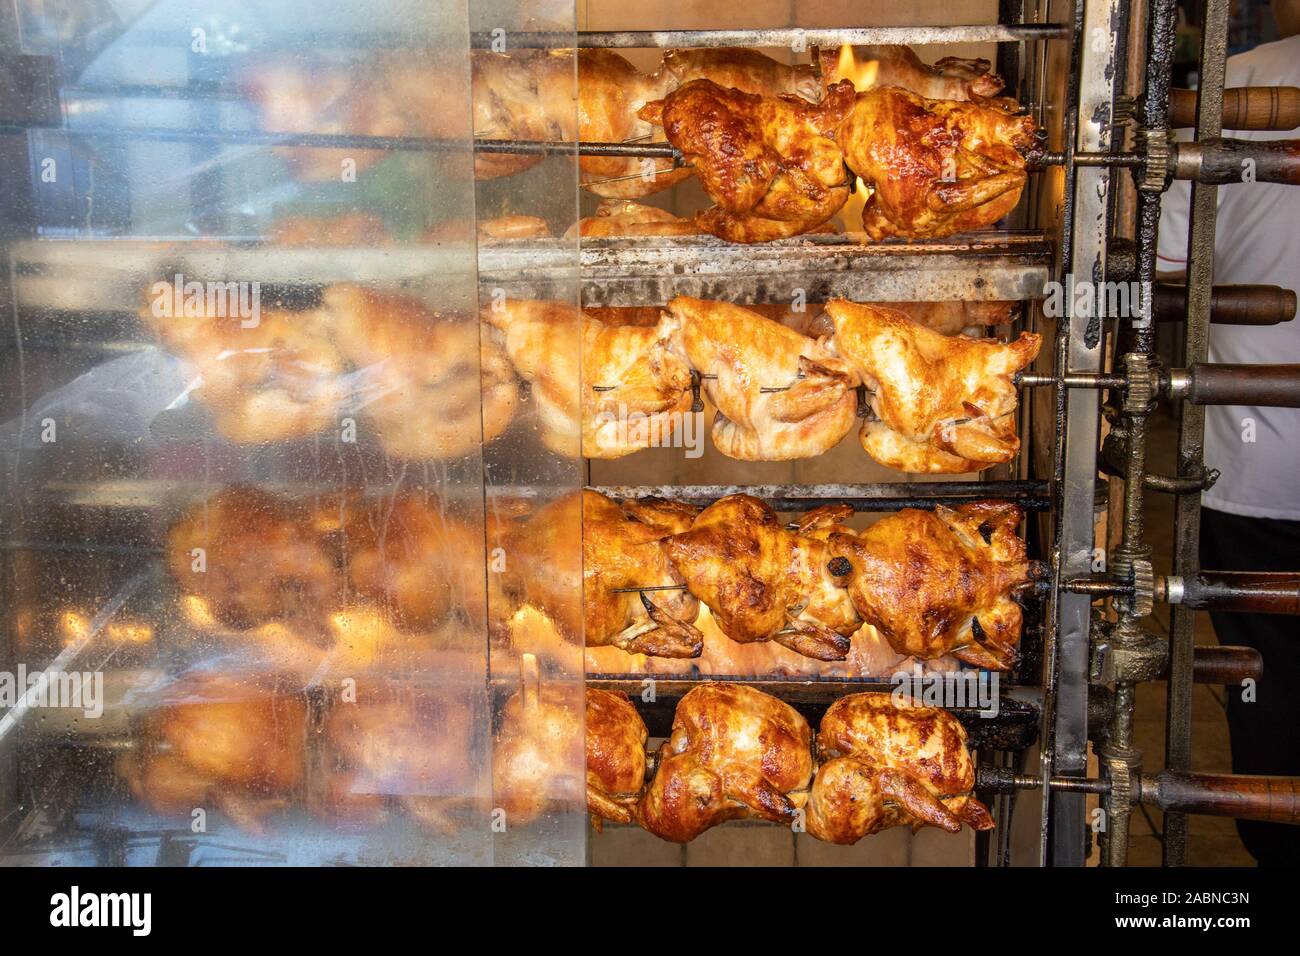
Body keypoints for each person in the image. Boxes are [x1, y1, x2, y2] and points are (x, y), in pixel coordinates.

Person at [1157, 0, 1300, 866]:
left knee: (1270, 688)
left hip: (1255, 464)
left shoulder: (1235, 87)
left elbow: (1162, 275)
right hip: (1255, 461)